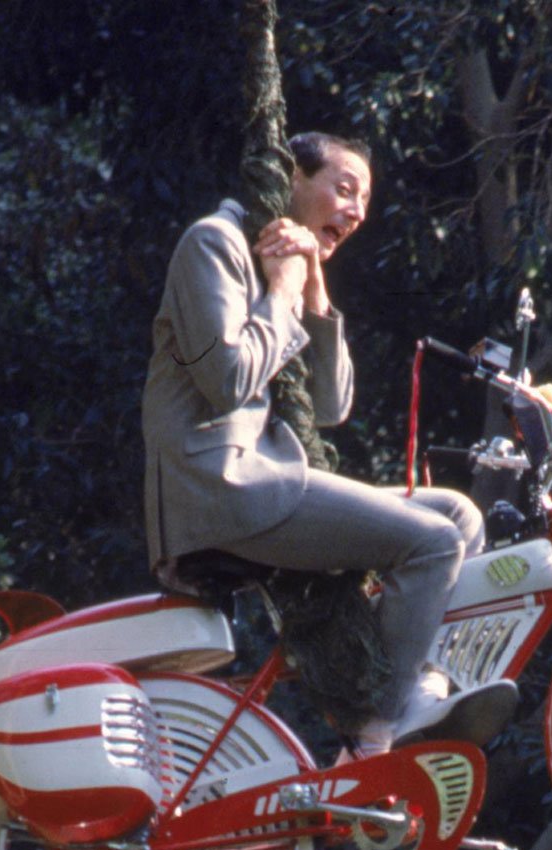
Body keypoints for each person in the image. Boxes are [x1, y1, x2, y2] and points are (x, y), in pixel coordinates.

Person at [142, 131, 515, 756]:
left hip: (269, 478)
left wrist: (312, 286)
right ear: (291, 178)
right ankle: (373, 732)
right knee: (434, 541)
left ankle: (412, 682)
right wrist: (284, 288)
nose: (354, 211)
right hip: (219, 485)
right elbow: (228, 379)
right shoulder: (215, 243)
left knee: (458, 513)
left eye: (363, 203)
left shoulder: (287, 265)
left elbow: (333, 407)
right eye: (343, 189)